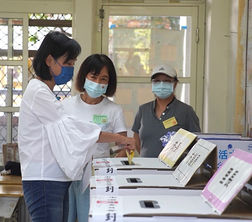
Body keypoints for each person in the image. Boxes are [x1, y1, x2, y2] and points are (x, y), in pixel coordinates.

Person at [18, 31, 135, 222]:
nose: (71, 69)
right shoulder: (38, 92)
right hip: (44, 179)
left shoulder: (46, 92)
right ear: (50, 60)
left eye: (73, 64)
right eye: (68, 63)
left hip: (60, 178)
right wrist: (121, 139)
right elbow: (75, 130)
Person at [62, 54, 127, 222]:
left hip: (98, 176)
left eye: (103, 78)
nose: (98, 82)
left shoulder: (113, 110)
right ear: (84, 76)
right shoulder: (66, 106)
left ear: (109, 83)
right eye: (94, 76)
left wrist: (109, 172)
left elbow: (123, 146)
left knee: (90, 217)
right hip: (67, 174)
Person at [131, 64, 201, 157]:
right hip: (146, 167)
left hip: (174, 169)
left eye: (167, 81)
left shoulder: (186, 111)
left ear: (175, 84)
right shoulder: (143, 110)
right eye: (157, 81)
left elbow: (196, 142)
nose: (161, 85)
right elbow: (136, 136)